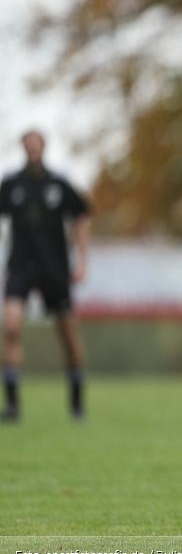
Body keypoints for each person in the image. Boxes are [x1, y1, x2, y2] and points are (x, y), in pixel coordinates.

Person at [0, 130, 91, 423]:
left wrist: (82, 260)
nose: (32, 151)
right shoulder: (11, 185)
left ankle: (77, 404)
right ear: (23, 149)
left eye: (36, 146)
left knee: (67, 333)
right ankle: (13, 407)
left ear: (44, 148)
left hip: (54, 268)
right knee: (12, 327)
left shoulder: (59, 184)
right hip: (20, 267)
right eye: (28, 146)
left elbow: (82, 216)